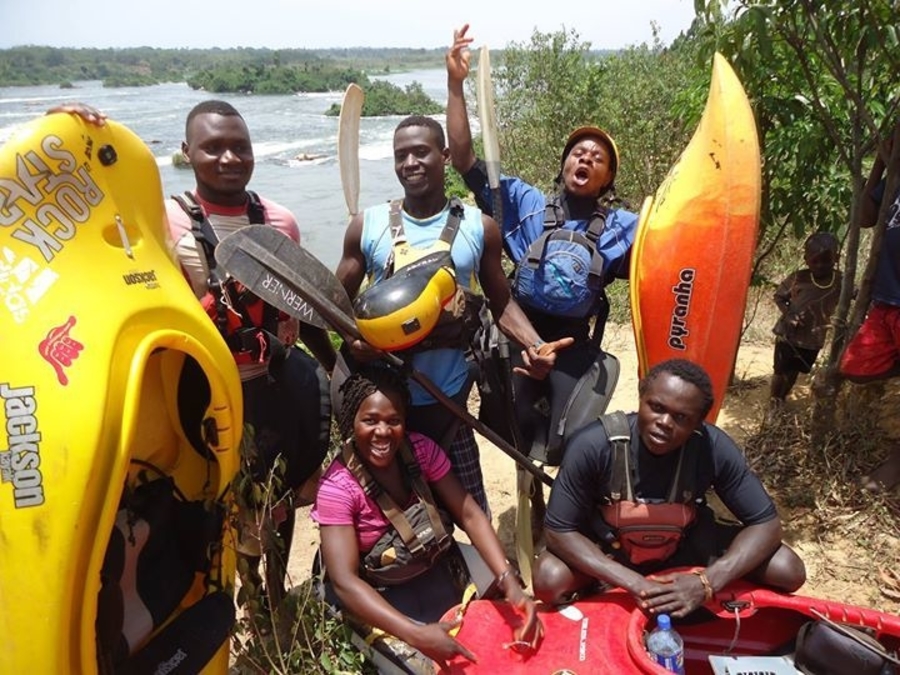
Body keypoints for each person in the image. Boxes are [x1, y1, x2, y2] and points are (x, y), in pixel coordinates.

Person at [50, 100, 335, 608]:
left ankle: (272, 601)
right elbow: (85, 225)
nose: (229, 158)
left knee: (276, 500)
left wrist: (339, 368)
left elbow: (301, 305)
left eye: (240, 147)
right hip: (200, 395)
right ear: (186, 152)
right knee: (214, 508)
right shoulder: (161, 221)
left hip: (272, 388)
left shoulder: (280, 222)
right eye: (213, 147)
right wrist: (71, 135)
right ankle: (230, 599)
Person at [320, 113, 572, 515]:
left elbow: (501, 303)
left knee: (471, 512)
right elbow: (331, 302)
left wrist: (535, 344)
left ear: (445, 155)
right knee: (394, 520)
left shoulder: (479, 227)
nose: (410, 163)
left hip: (447, 400)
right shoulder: (367, 226)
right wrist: (352, 342)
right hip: (383, 405)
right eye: (401, 155)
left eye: (421, 152)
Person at [445, 24, 638, 527]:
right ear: (564, 164)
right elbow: (463, 158)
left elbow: (668, 257)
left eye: (597, 158)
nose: (585, 158)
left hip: (574, 347)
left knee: (573, 445)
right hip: (517, 334)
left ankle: (566, 518)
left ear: (608, 179)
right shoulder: (523, 202)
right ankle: (528, 498)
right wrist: (455, 84)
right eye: (578, 152)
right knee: (516, 437)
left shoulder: (625, 226)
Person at [532, 359, 807, 617]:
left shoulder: (712, 447)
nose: (664, 423)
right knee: (549, 579)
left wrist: (707, 582)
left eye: (681, 417)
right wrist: (635, 583)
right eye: (656, 407)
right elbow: (558, 531)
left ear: (699, 423)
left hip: (686, 546)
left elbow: (766, 524)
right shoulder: (594, 444)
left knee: (788, 569)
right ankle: (600, 591)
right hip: (613, 551)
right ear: (641, 397)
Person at [311, 365, 541, 667]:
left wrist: (508, 580)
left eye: (393, 421)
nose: (383, 431)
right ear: (351, 421)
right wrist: (415, 635)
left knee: (504, 618)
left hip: (437, 565)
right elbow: (345, 581)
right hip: (382, 592)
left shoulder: (420, 451)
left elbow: (469, 514)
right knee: (424, 667)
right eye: (370, 420)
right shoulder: (338, 487)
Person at [839, 135, 900, 492]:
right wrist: (881, 161)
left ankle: (896, 462)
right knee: (856, 366)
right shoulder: (895, 179)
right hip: (887, 300)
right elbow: (864, 217)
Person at [768, 232, 842, 418]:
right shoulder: (798, 278)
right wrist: (789, 314)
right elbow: (779, 297)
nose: (820, 265)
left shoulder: (840, 281)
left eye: (826, 261)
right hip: (789, 334)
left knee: (795, 370)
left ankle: (782, 397)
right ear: (806, 260)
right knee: (780, 370)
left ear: (836, 258)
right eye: (815, 261)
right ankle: (774, 402)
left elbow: (857, 293)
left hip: (813, 338)